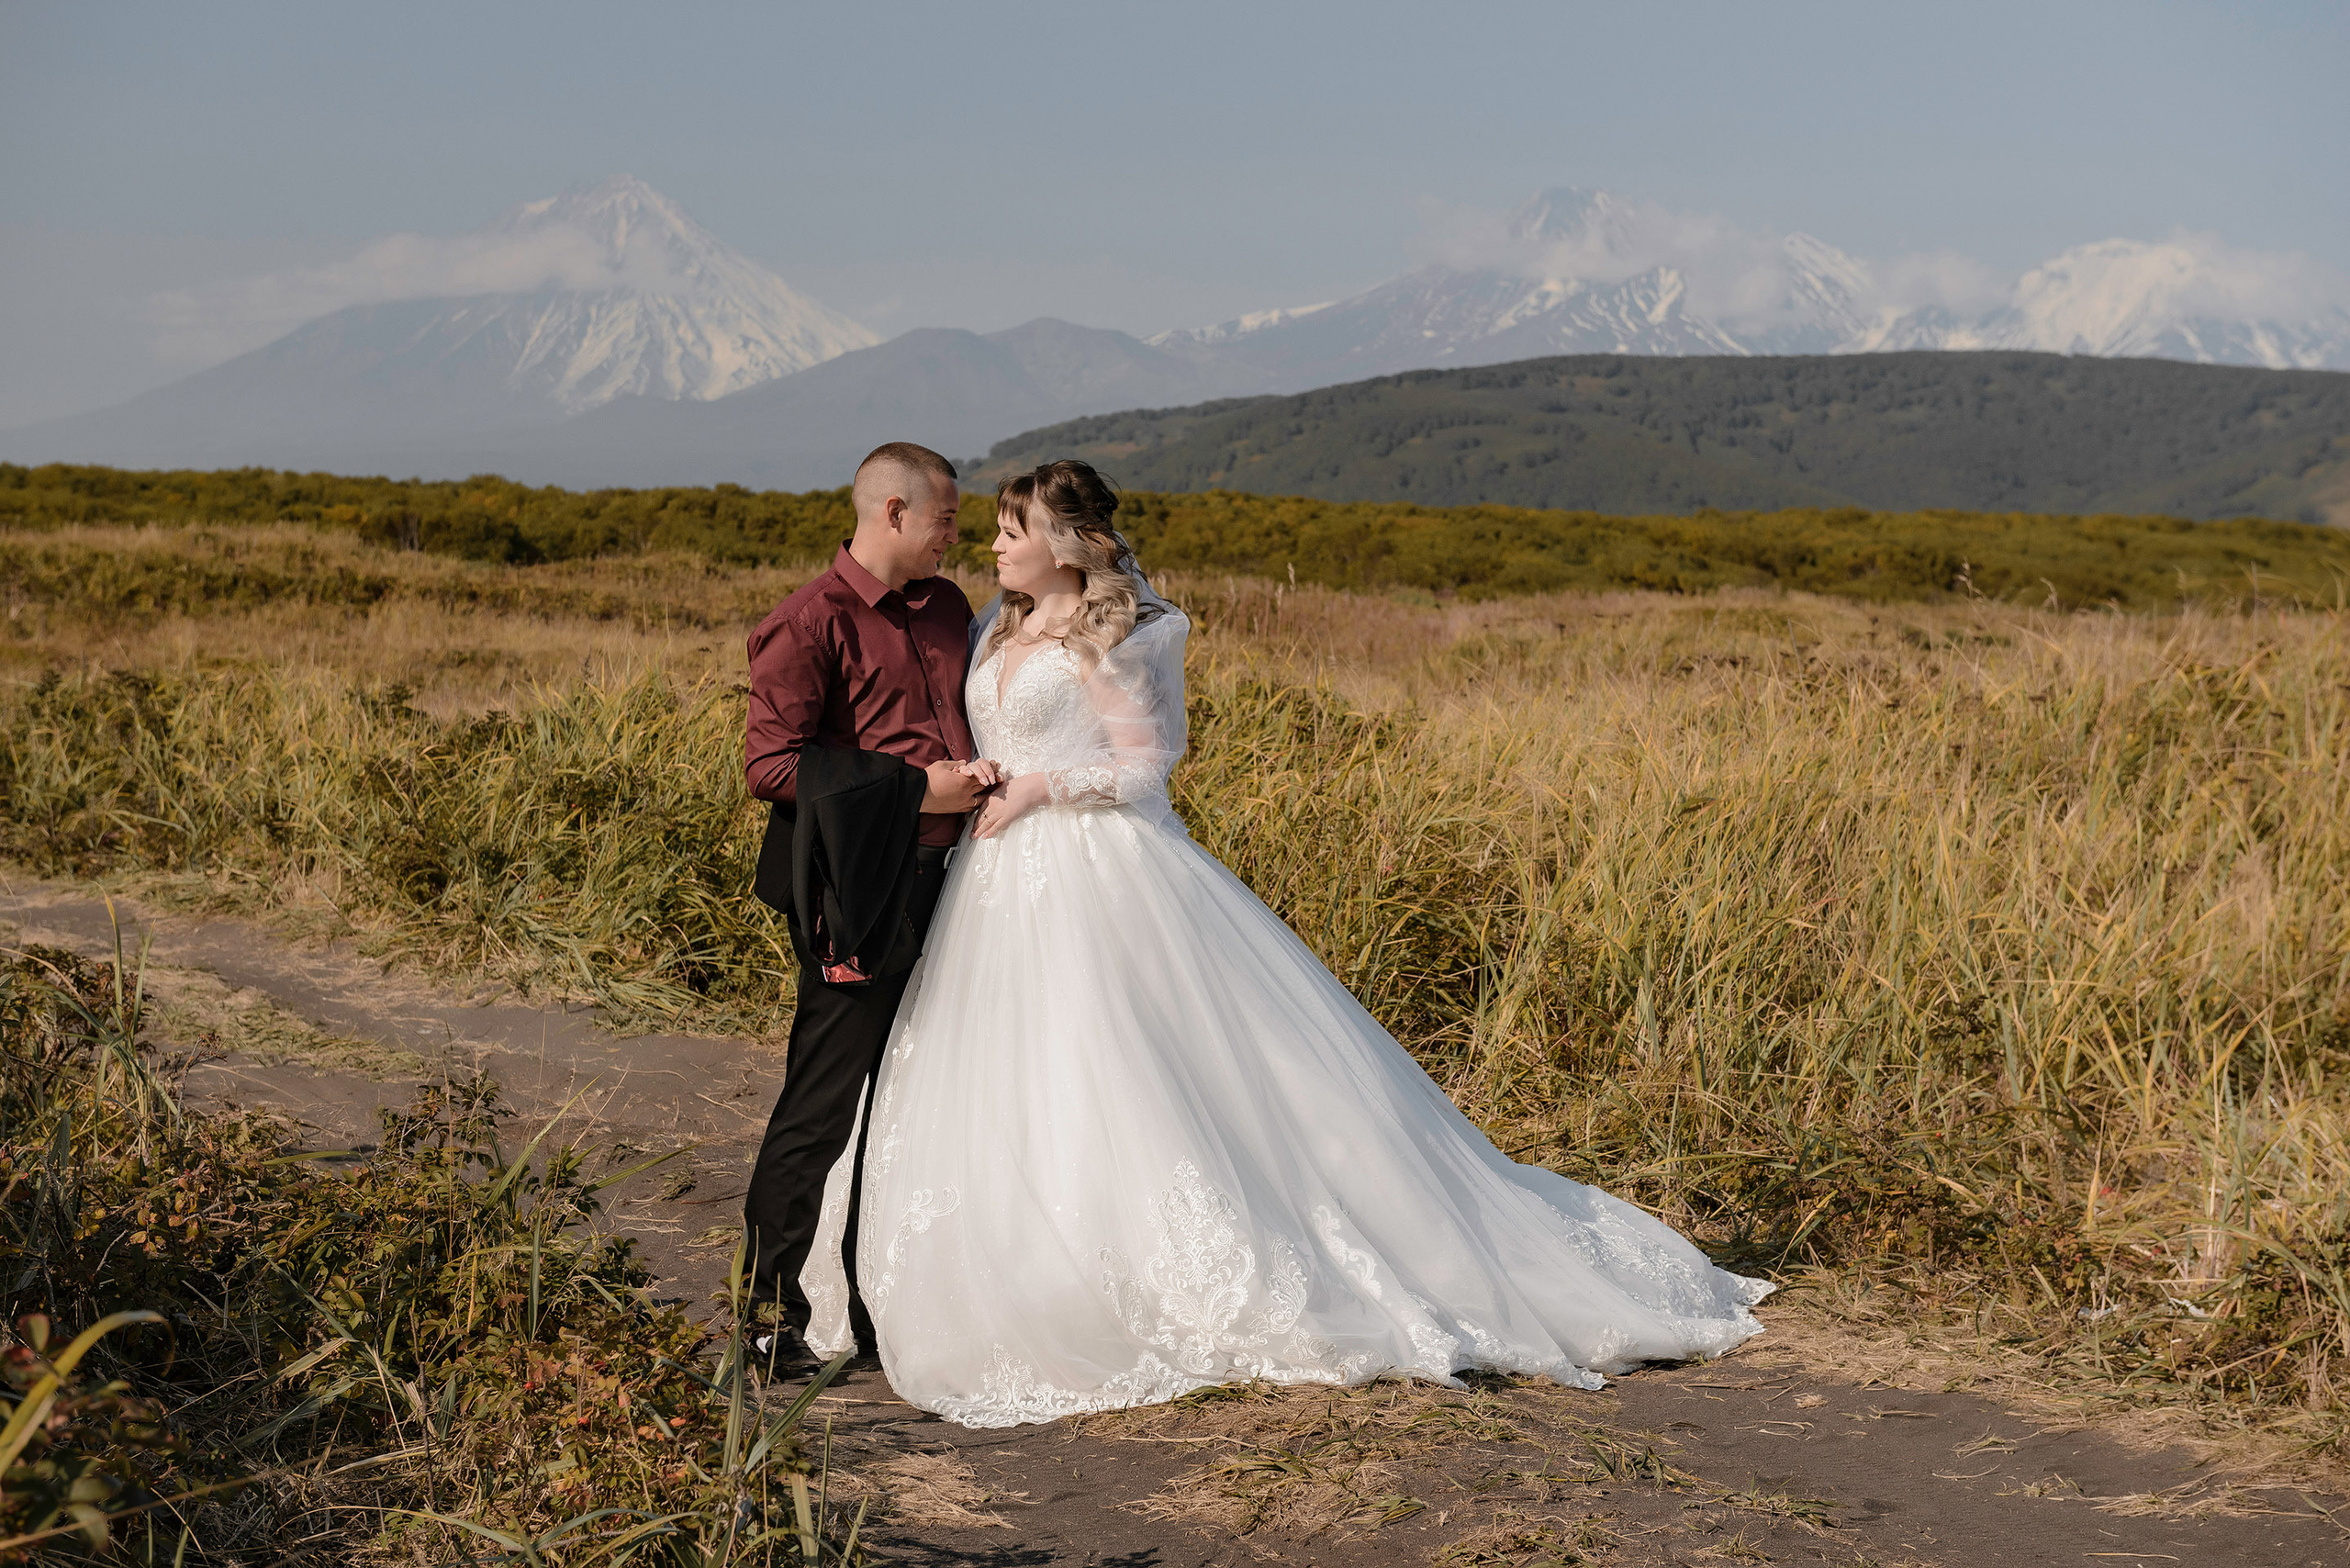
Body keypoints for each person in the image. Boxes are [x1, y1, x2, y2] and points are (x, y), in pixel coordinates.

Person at [795, 459, 1772, 1427]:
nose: (994, 543)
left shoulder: (1116, 633)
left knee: (1124, 1064)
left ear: (1065, 543)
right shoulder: (989, 625)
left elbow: (1145, 761)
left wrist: (1045, 785)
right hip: (994, 881)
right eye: (994, 527)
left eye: (1013, 528)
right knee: (1003, 1069)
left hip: (1099, 869)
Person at [740, 441, 996, 1377]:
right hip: (863, 890)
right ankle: (770, 1320)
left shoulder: (949, 609)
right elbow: (768, 766)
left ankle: (911, 1301)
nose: (954, 538)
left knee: (935, 1092)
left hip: (968, 883)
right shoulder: (806, 623)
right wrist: (912, 790)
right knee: (822, 1101)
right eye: (946, 522)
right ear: (893, 512)